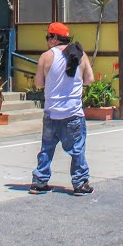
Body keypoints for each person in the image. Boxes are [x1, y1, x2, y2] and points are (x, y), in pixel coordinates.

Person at [29, 21, 95, 196]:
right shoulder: (81, 55)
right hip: (73, 112)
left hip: (52, 112)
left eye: (48, 36)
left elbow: (38, 84)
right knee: (77, 149)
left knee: (47, 148)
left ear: (54, 38)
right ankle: (80, 183)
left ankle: (39, 182)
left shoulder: (46, 57)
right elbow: (89, 79)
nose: (47, 40)